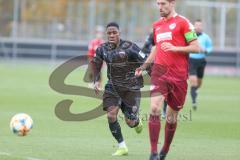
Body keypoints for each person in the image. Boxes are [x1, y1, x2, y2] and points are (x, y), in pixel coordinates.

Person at [135, 0, 201, 159]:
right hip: (159, 73)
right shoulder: (157, 25)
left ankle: (165, 149)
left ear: (172, 3)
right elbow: (156, 47)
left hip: (178, 77)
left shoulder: (184, 23)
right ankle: (153, 152)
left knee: (171, 118)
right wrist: (144, 66)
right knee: (155, 108)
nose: (160, 7)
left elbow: (196, 47)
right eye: (158, 4)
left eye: (163, 3)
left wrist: (175, 48)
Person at [91, 22, 146, 156]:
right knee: (111, 115)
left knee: (130, 121)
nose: (111, 35)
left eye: (114, 32)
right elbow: (97, 64)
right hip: (112, 87)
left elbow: (147, 61)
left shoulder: (130, 47)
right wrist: (96, 80)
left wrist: (146, 72)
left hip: (131, 87)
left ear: (119, 33)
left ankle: (137, 122)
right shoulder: (102, 49)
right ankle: (122, 146)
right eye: (109, 33)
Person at [142, 32, 168, 119]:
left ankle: (164, 109)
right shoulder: (152, 36)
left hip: (166, 69)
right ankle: (157, 110)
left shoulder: (167, 38)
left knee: (166, 91)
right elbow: (143, 50)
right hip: (154, 69)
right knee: (158, 92)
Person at [189, 19, 213, 110]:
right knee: (193, 81)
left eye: (200, 25)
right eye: (196, 25)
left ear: (202, 27)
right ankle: (194, 101)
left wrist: (205, 50)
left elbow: (210, 48)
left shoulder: (206, 37)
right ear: (194, 26)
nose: (198, 27)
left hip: (201, 61)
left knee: (199, 82)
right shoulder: (190, 35)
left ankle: (195, 90)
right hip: (191, 60)